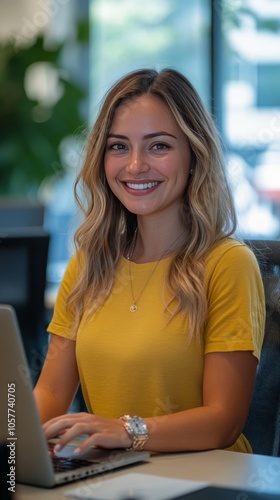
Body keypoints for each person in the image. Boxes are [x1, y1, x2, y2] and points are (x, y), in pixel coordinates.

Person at [34, 68, 265, 456]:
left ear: (194, 155)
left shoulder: (228, 264)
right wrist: (10, 438)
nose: (136, 165)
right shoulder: (90, 265)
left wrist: (127, 431)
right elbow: (52, 393)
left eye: (158, 146)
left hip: (208, 483)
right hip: (113, 477)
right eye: (118, 146)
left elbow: (224, 420)